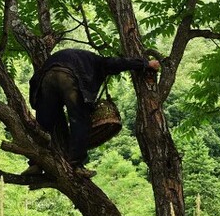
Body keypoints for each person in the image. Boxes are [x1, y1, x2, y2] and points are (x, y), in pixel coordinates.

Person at [27, 48, 160, 170]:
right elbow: (119, 63)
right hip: (68, 76)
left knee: (43, 125)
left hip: (46, 78)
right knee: (79, 119)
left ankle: (35, 164)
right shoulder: (98, 62)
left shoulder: (71, 56)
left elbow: (35, 81)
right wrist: (146, 64)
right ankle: (76, 164)